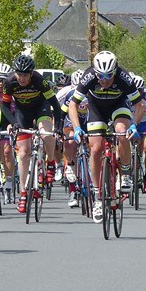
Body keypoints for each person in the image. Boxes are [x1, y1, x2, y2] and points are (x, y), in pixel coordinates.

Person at [68, 51, 140, 223]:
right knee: (95, 148)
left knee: (122, 131)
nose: (104, 80)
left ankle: (125, 173)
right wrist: (77, 128)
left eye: (109, 76)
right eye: (101, 76)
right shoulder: (88, 76)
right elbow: (73, 104)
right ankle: (97, 196)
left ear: (115, 71)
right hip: (96, 109)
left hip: (118, 105)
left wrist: (134, 125)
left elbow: (139, 105)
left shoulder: (124, 77)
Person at [0, 53, 64, 214]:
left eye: (25, 75)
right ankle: (23, 193)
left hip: (41, 108)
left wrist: (59, 127)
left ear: (31, 73)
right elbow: (5, 106)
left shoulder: (39, 81)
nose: (22, 78)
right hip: (22, 113)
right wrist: (13, 123)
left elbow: (56, 105)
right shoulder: (9, 82)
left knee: (46, 133)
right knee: (23, 153)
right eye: (19, 74)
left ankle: (50, 162)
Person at [57, 69, 88, 208]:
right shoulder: (69, 95)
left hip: (89, 124)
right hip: (71, 125)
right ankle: (70, 167)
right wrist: (58, 129)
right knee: (69, 143)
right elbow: (62, 113)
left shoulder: (93, 93)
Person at [0, 62, 16, 203]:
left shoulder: (13, 87)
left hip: (7, 118)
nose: (0, 84)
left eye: (4, 80)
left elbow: (16, 110)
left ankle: (9, 182)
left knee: (6, 150)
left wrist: (13, 123)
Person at [128, 74, 146, 193]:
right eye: (135, 90)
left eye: (140, 90)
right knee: (126, 151)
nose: (137, 93)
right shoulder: (125, 96)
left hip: (145, 127)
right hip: (130, 127)